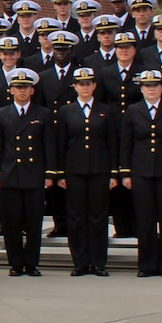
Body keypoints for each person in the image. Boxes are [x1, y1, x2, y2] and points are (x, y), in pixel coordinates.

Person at [121, 69, 162, 278]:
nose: (151, 89)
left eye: (155, 85)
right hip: (141, 170)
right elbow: (126, 143)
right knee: (145, 219)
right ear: (141, 89)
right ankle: (147, 264)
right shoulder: (133, 110)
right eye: (147, 86)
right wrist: (126, 173)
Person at [0, 68, 50, 277]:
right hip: (9, 174)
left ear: (32, 90)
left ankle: (32, 263)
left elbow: (47, 147)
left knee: (33, 223)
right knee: (11, 223)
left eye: (25, 88)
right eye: (17, 87)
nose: (21, 91)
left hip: (33, 175)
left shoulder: (42, 114)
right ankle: (15, 263)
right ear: (11, 90)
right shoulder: (0, 114)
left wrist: (49, 174)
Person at [54, 67, 117, 276]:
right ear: (75, 86)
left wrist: (114, 173)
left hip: (100, 170)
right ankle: (80, 262)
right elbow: (61, 143)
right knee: (77, 217)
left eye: (88, 83)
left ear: (94, 86)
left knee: (98, 217)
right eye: (81, 84)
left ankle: (98, 262)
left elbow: (112, 143)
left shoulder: (106, 111)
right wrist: (61, 174)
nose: (85, 87)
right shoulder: (66, 111)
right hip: (74, 171)